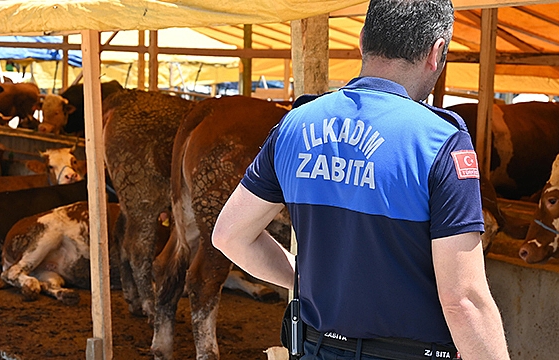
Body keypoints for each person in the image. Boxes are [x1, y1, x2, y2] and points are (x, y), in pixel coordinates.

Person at [211, 0, 511, 359]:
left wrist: (307, 281)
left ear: (362, 40)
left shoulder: (295, 125)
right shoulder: (438, 141)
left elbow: (229, 236)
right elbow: (463, 301)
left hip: (314, 349)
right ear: (436, 52)